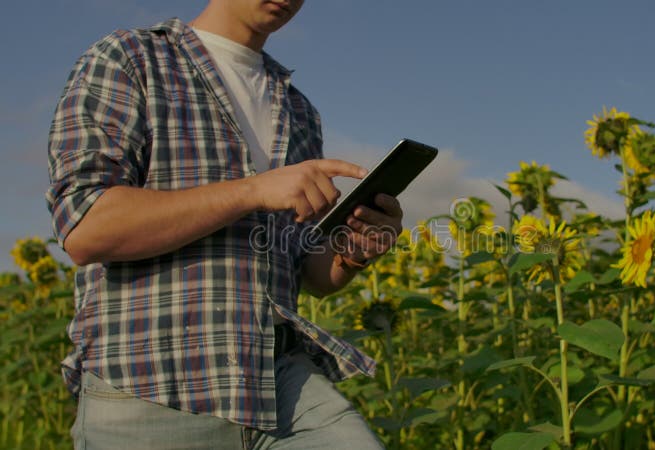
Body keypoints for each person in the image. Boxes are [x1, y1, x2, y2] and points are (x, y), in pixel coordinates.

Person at [46, 1, 402, 448]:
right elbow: (88, 227)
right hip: (152, 381)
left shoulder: (299, 109)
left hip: (276, 379)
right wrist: (253, 190)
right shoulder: (129, 58)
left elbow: (308, 275)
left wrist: (351, 251)